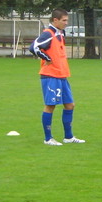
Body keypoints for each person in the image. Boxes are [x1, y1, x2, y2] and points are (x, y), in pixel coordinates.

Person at [29, 9, 85, 146]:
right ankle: (48, 138)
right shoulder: (48, 33)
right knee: (50, 106)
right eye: (64, 20)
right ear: (55, 20)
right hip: (50, 75)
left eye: (67, 20)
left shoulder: (59, 33)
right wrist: (46, 58)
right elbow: (34, 47)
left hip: (62, 75)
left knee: (70, 105)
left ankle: (68, 137)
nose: (66, 23)